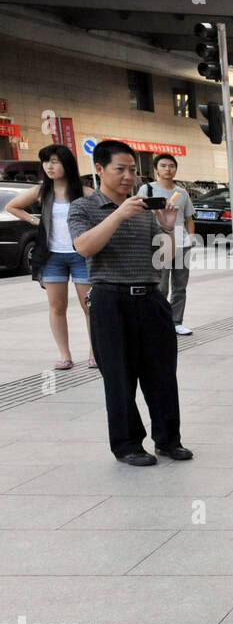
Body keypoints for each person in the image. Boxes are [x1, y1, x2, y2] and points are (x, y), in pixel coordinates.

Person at [68, 140, 192, 466]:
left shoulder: (144, 209)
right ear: (99, 169)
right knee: (119, 377)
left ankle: (168, 439)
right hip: (110, 300)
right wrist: (119, 214)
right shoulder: (83, 208)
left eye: (132, 170)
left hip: (151, 298)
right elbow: (84, 247)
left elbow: (165, 257)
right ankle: (127, 445)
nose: (128, 176)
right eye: (119, 169)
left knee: (162, 374)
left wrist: (166, 227)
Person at [4, 144, 95, 370]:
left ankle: (95, 352)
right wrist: (36, 222)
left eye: (54, 161)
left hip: (81, 255)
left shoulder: (84, 193)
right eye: (46, 162)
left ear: (67, 164)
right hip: (52, 256)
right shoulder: (41, 191)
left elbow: (105, 213)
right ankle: (65, 355)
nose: (49, 166)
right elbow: (12, 206)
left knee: (90, 307)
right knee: (56, 307)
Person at [137, 153, 196, 336]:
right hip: (158, 243)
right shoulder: (147, 190)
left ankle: (176, 321)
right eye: (163, 166)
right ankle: (158, 321)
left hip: (181, 242)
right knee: (160, 286)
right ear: (156, 169)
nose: (167, 169)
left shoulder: (182, 192)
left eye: (171, 166)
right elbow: (137, 215)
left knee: (180, 285)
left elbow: (189, 218)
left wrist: (191, 238)